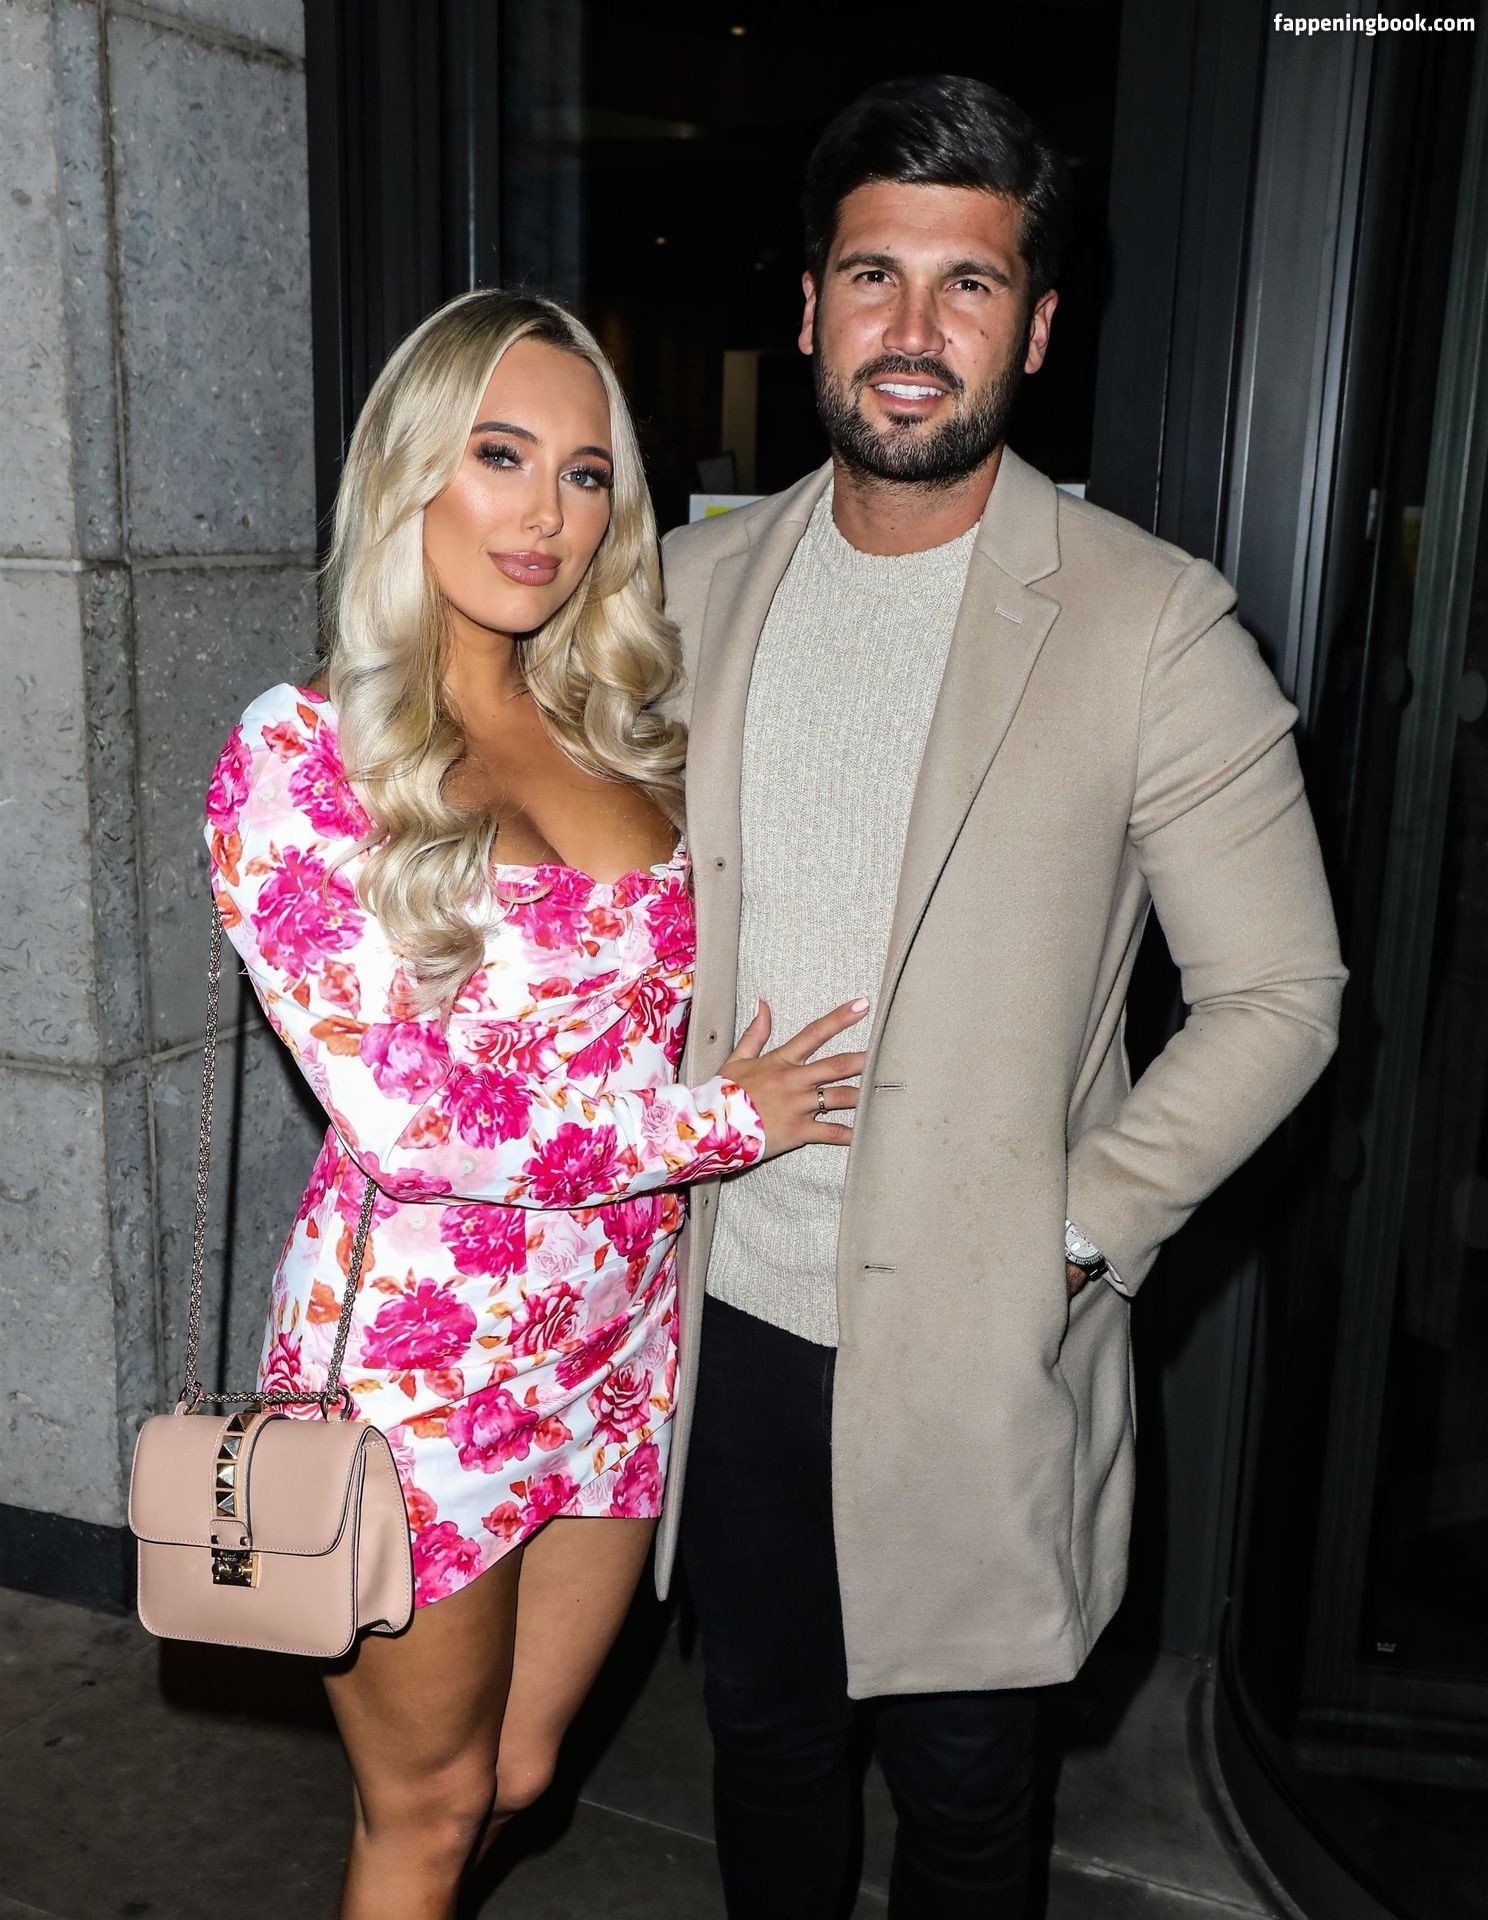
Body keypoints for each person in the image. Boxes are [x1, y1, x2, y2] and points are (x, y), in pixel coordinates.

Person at [656, 75, 1348, 1918]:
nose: (913, 327)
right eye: (872, 275)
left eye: (968, 284)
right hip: (721, 1318)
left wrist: (1077, 1227)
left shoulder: (1152, 622)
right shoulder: (684, 589)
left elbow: (1282, 991)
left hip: (979, 1348)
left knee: (968, 1802)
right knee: (762, 1744)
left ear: (1035, 329)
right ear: (810, 306)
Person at [203, 288, 867, 1920]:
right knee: (424, 1812)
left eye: (585, 475)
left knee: (514, 1776)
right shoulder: (298, 754)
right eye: (500, 456)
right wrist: (724, 1123)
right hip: (419, 1375)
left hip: (620, 1346)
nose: (547, 515)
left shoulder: (618, 726)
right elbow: (410, 1119)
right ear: (410, 469)